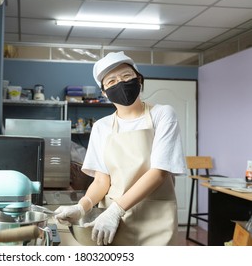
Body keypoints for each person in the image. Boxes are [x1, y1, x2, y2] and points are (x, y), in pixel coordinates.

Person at [55, 51, 186, 246]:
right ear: (104, 92)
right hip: (112, 220)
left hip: (156, 217)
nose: (121, 84)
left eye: (126, 77)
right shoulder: (101, 127)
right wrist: (82, 207)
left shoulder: (162, 114)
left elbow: (159, 172)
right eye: (112, 81)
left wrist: (117, 210)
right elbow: (101, 181)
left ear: (139, 80)